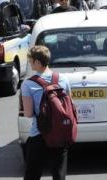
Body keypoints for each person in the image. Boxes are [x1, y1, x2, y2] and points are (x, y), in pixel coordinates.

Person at [21, 46, 72, 180]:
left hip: (39, 133)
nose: (30, 63)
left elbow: (28, 114)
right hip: (60, 133)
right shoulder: (63, 79)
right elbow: (69, 104)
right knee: (59, 175)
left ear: (37, 62)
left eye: (31, 60)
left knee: (32, 174)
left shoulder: (28, 83)